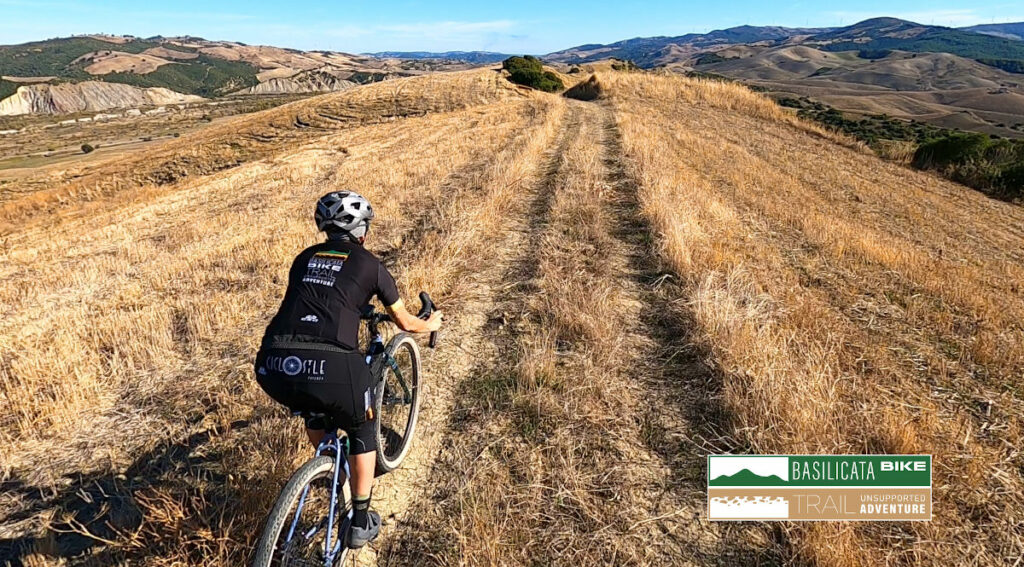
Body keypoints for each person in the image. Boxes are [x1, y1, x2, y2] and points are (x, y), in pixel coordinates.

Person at [254, 191, 443, 549]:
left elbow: (322, 297)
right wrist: (431, 324)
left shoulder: (304, 258)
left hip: (272, 364)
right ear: (362, 229)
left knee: (314, 404)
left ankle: (327, 461)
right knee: (362, 425)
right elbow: (405, 322)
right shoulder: (371, 264)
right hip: (330, 363)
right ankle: (359, 519)